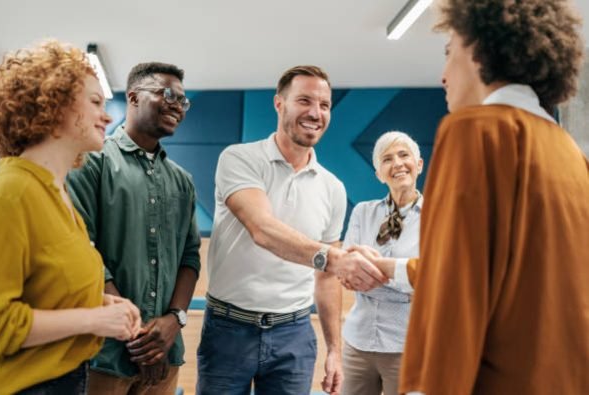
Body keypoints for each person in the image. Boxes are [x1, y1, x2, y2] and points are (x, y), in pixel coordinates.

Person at [360, 1, 589, 393]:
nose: (444, 76)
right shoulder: (572, 156)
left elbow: (454, 289)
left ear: (481, 48)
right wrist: (391, 268)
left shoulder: (476, 131)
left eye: (450, 54)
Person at [196, 65, 387, 395]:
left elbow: (325, 278)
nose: (316, 113)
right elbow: (263, 229)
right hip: (229, 329)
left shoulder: (333, 188)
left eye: (325, 105)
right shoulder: (240, 159)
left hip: (294, 335)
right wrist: (337, 259)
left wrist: (334, 352)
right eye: (304, 101)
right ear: (279, 104)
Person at [0, 40, 141, 394]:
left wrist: (101, 303)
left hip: (66, 379)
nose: (108, 114)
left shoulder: (58, 194)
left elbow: (45, 291)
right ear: (52, 107)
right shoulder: (11, 193)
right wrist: (95, 318)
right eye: (95, 102)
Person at [67, 62, 201, 394]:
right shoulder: (91, 162)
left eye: (182, 101)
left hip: (166, 354)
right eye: (166, 93)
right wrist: (138, 335)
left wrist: (174, 321)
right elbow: (83, 251)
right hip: (104, 354)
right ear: (133, 97)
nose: (176, 105)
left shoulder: (182, 181)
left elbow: (190, 257)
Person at [340, 131, 422, 395]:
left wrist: (373, 270)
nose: (397, 163)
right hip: (358, 343)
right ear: (379, 173)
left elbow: (433, 280)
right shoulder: (363, 212)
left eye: (403, 155)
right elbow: (348, 274)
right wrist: (404, 276)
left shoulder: (439, 216)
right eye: (387, 159)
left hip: (407, 346)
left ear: (418, 164)